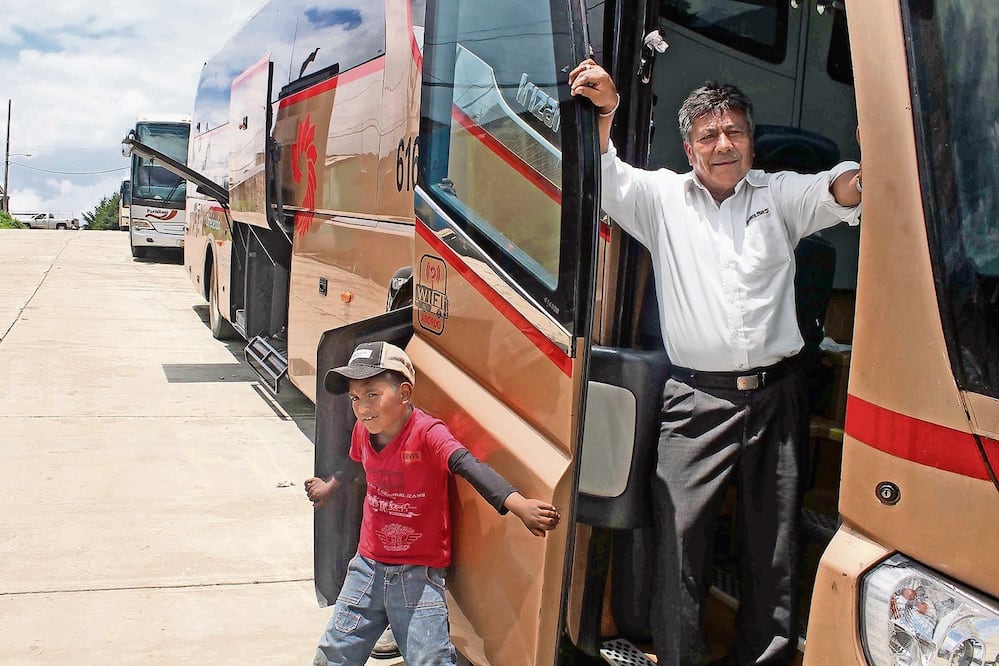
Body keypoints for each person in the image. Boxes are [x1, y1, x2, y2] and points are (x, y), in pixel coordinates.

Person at [568, 61, 862, 665]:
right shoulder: (663, 199)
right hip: (694, 401)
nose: (724, 145)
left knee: (773, 547)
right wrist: (606, 113)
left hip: (777, 396)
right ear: (689, 148)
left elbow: (835, 189)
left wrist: (871, 167)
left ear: (751, 140)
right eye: (709, 135)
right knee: (679, 542)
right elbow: (603, 174)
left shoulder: (777, 196)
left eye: (735, 132)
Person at [305, 341, 561, 665]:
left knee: (431, 659)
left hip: (418, 574)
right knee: (333, 653)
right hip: (367, 566)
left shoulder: (427, 433)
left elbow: (468, 465)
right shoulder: (362, 430)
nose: (362, 407)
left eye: (372, 394)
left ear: (404, 393)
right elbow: (355, 462)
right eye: (355, 398)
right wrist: (330, 486)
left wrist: (518, 504)